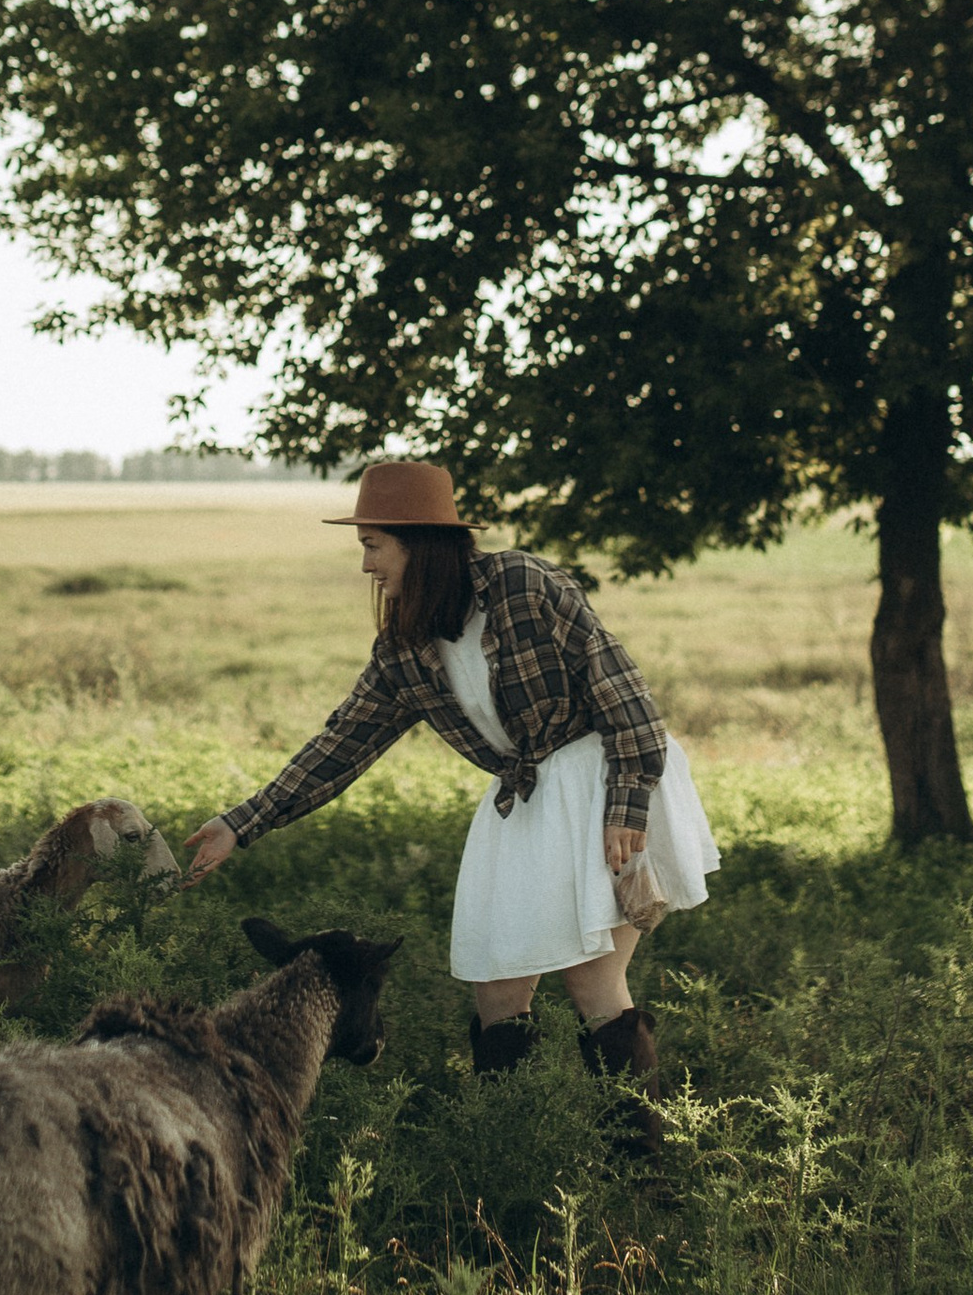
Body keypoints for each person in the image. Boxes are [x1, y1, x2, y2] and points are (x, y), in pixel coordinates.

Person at [184, 461, 717, 1119]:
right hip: (527, 797)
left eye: (372, 546)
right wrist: (241, 824)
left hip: (604, 779)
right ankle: (506, 1160)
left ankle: (641, 1171)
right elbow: (341, 745)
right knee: (495, 988)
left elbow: (623, 692)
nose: (366, 568)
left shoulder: (524, 585)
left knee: (594, 980)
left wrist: (626, 810)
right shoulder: (405, 649)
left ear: (418, 542)